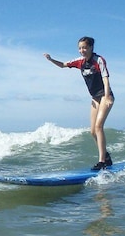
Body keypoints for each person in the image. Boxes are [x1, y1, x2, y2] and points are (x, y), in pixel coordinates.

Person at [43, 36, 114, 170]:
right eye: (80, 48)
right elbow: (63, 65)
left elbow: (105, 78)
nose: (82, 50)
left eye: (84, 48)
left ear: (91, 47)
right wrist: (51, 59)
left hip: (105, 96)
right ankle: (106, 156)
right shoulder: (79, 62)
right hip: (94, 98)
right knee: (92, 131)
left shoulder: (98, 60)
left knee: (99, 126)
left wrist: (108, 96)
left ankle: (102, 161)